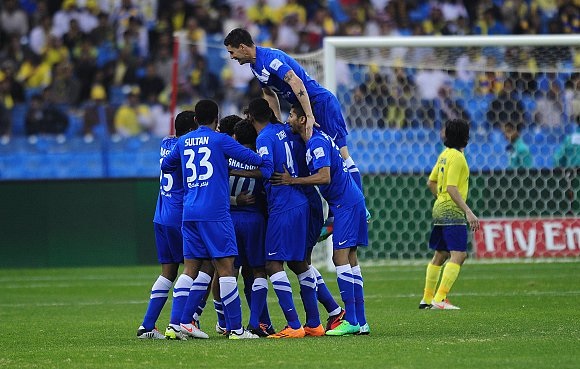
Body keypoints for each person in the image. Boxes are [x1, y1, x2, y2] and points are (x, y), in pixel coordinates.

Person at [224, 28, 368, 240]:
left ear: (243, 47)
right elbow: (268, 93)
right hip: (302, 109)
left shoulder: (271, 59)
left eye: (232, 52)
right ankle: (332, 212)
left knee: (342, 154)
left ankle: (360, 208)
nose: (232, 57)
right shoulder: (256, 67)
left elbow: (296, 82)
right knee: (315, 158)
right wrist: (277, 122)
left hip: (321, 105)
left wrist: (309, 115)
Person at [161, 99, 263, 340]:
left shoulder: (184, 141)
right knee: (226, 268)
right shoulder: (220, 139)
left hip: (190, 212)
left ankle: (176, 325)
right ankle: (236, 329)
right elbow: (254, 159)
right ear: (217, 119)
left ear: (195, 119)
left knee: (189, 269)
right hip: (215, 213)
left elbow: (166, 165)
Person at [271, 103, 369, 335]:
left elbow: (324, 177)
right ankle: (360, 321)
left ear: (304, 119)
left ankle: (351, 320)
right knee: (351, 259)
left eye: (293, 115)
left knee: (340, 257)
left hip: (345, 204)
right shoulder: (317, 136)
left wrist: (291, 180)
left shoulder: (315, 142)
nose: (289, 119)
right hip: (349, 202)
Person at [243, 97, 323, 338]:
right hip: (302, 201)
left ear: (250, 118)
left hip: (284, 204)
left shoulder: (264, 137)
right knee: (299, 263)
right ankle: (314, 323)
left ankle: (294, 325)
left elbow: (267, 170)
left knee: (272, 264)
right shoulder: (283, 129)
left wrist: (236, 167)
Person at [210, 114, 274, 337]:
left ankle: (228, 323)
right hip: (255, 221)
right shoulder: (258, 158)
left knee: (229, 272)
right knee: (258, 271)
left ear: (235, 137)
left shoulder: (225, 159)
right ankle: (256, 322)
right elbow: (269, 175)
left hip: (229, 220)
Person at [136, 110, 197, 340]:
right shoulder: (185, 148)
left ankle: (147, 325)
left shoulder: (165, 143)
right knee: (199, 267)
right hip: (179, 215)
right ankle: (180, 323)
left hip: (160, 215)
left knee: (169, 272)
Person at [419, 118, 480, 310]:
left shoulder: (444, 154)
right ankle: (440, 298)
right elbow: (453, 188)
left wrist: (442, 198)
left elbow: (431, 182)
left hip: (439, 207)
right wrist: (468, 212)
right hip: (451, 210)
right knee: (459, 255)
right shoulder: (457, 157)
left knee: (441, 253)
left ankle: (427, 299)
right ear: (465, 136)